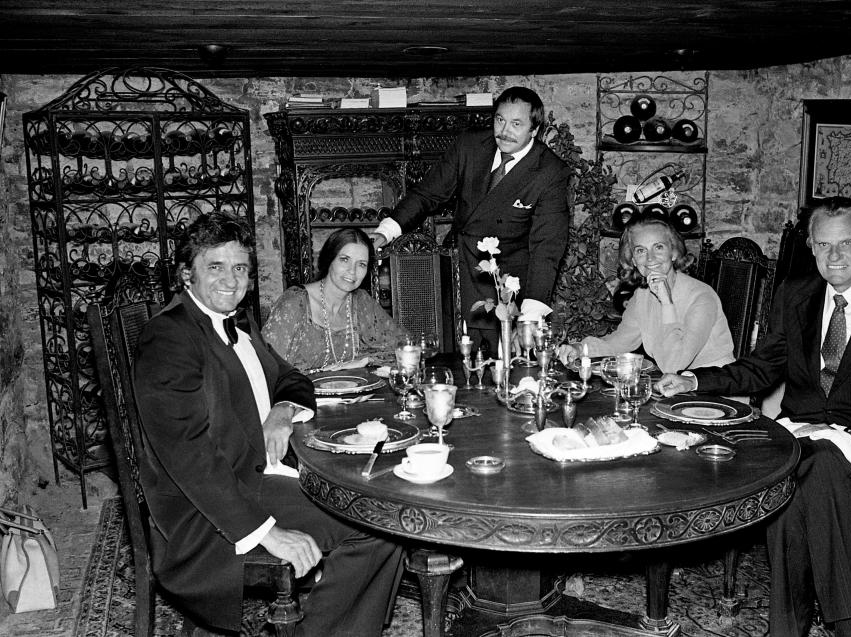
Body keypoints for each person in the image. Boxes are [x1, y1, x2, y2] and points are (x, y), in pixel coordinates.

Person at [656, 197, 851, 637]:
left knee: (810, 470)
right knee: (812, 468)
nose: (835, 256)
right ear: (810, 247)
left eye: (846, 243)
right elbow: (762, 366)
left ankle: (788, 629)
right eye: (824, 245)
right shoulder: (797, 293)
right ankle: (846, 626)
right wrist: (695, 381)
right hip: (806, 437)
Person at [133, 212, 403, 636]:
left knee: (379, 498)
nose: (230, 280)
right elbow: (190, 457)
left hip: (259, 471)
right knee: (377, 526)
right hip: (211, 510)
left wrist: (281, 413)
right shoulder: (169, 338)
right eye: (215, 267)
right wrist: (269, 533)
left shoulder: (238, 321)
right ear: (187, 274)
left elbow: (290, 377)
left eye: (239, 268)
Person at [370, 86, 572, 348]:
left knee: (503, 370)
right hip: (458, 270)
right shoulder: (470, 146)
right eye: (500, 120)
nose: (504, 131)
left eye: (516, 123)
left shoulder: (551, 172)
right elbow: (426, 194)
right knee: (451, 357)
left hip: (506, 288)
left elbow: (548, 247)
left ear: (535, 129)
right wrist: (386, 231)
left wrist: (529, 317)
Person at [557, 217, 735, 374]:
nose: (650, 258)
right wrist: (580, 349)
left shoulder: (702, 297)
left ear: (673, 253)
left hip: (715, 394)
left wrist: (667, 303)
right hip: (675, 389)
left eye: (658, 247)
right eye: (641, 250)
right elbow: (620, 343)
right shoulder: (642, 295)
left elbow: (673, 365)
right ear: (633, 260)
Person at [263, 228, 406, 371]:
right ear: (329, 259)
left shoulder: (361, 302)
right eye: (344, 260)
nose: (352, 271)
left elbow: (407, 346)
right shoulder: (294, 303)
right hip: (300, 391)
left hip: (354, 391)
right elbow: (266, 367)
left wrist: (367, 360)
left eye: (361, 264)